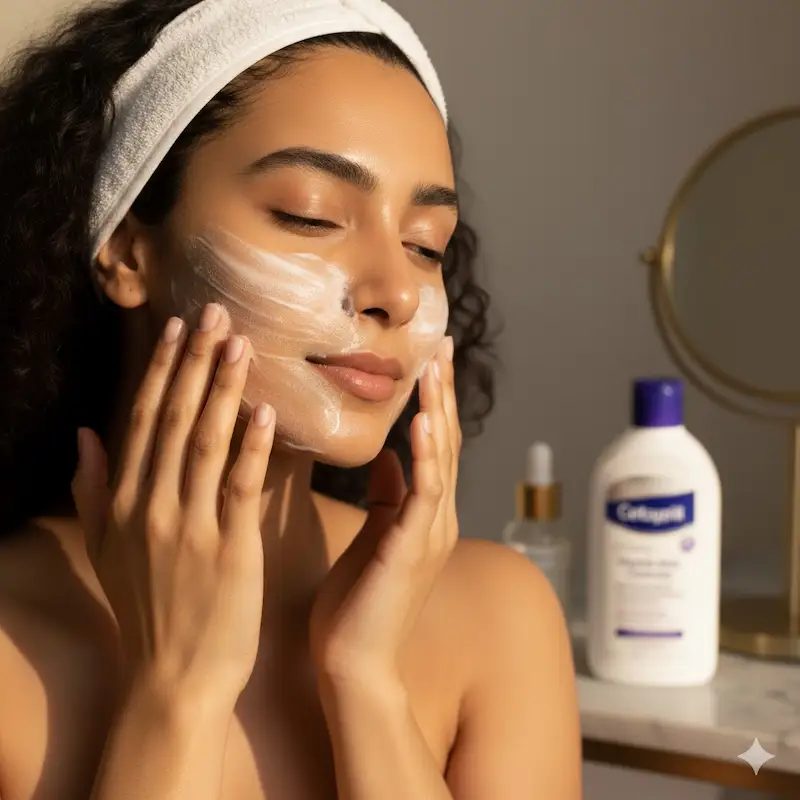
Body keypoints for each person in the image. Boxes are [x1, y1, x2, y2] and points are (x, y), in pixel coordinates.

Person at [0, 0, 582, 797]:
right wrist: (177, 694)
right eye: (310, 215)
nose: (398, 295)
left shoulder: (496, 618)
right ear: (130, 251)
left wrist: (365, 681)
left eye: (425, 245)